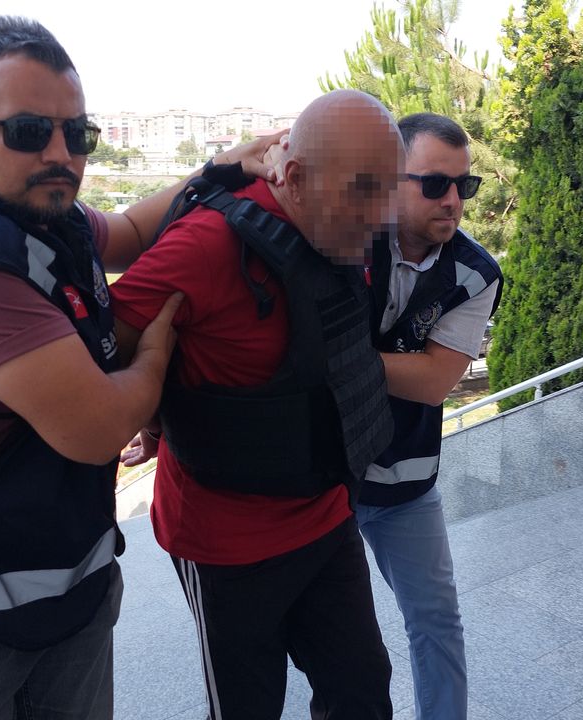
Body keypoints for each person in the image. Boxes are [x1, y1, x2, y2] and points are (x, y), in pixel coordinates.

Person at [0, 17, 277, 720]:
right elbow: (98, 428)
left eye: (78, 134)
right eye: (29, 131)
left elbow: (128, 232)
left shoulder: (34, 208)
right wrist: (154, 350)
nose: (61, 154)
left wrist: (218, 172)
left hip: (50, 579)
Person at [111, 89, 403, 720]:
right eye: (363, 190)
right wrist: (156, 405)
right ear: (294, 177)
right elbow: (101, 357)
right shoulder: (206, 245)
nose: (382, 215)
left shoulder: (348, 229)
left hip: (324, 515)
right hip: (225, 544)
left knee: (362, 692)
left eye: (391, 190)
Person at [359, 112, 503, 719]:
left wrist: (338, 359)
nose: (453, 201)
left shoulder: (475, 272)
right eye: (436, 184)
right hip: (323, 477)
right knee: (338, 642)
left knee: (437, 621)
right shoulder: (343, 239)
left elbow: (436, 382)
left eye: (464, 185)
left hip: (406, 480)